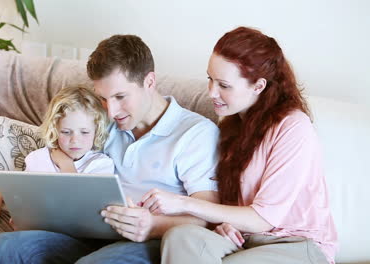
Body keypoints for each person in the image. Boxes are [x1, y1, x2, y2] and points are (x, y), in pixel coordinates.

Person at [0, 34, 219, 264]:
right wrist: (29, 211)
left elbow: (206, 216)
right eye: (104, 99)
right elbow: (58, 159)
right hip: (88, 233)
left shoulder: (195, 133)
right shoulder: (101, 122)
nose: (111, 111)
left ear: (149, 82)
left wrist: (152, 226)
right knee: (6, 246)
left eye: (120, 96)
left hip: (148, 241)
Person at [141, 27, 338, 264]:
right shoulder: (230, 125)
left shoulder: (294, 128)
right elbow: (231, 204)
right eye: (210, 79)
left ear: (258, 86)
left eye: (224, 85)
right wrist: (224, 225)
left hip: (296, 244)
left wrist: (183, 203)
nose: (211, 92)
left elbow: (263, 218)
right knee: (180, 237)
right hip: (247, 241)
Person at [0, 86, 114, 222]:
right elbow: (23, 187)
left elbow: (83, 206)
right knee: (3, 242)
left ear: (96, 131)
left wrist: (66, 165)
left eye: (84, 132)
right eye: (66, 132)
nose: (75, 140)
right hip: (41, 228)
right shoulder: (38, 158)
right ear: (54, 129)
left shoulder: (101, 165)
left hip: (78, 230)